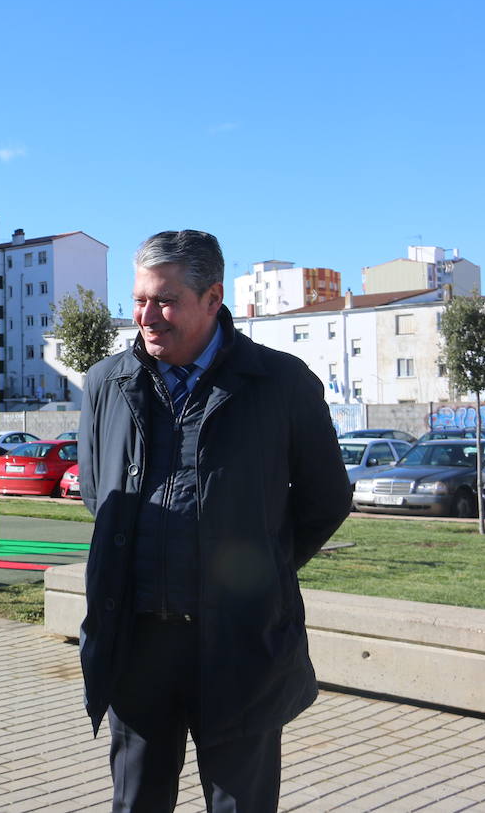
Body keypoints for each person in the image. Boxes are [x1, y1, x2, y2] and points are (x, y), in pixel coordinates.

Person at [77, 230, 351, 812]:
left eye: (166, 300)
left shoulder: (281, 383)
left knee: (239, 803)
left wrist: (258, 566)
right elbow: (100, 494)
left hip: (239, 642)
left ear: (213, 297)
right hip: (137, 642)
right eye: (140, 299)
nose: (147, 317)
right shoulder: (107, 382)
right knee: (136, 802)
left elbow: (325, 500)